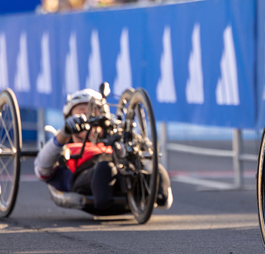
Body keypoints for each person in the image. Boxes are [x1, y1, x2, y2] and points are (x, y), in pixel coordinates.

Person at [34, 89, 173, 213]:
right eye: (82, 110)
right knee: (105, 166)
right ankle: (105, 196)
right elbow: (42, 170)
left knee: (154, 169)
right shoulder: (64, 147)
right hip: (87, 176)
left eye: (94, 111)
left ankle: (160, 195)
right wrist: (64, 133)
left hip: (121, 171)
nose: (88, 115)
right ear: (69, 117)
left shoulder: (113, 142)